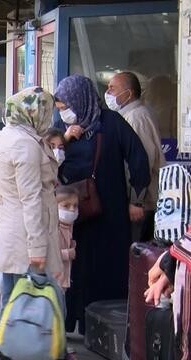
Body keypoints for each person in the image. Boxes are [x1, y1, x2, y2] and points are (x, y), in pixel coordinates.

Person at [54, 74, 150, 334]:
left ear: (80, 99)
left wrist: (137, 199)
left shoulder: (111, 123)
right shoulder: (62, 130)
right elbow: (49, 160)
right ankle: (69, 320)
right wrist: (66, 139)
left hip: (109, 211)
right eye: (62, 109)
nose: (65, 114)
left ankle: (101, 328)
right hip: (71, 215)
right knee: (72, 267)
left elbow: (138, 158)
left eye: (67, 108)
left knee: (105, 268)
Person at [0, 86, 64, 360]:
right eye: (46, 110)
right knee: (30, 310)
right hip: (26, 238)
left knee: (13, 308)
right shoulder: (25, 145)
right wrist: (38, 250)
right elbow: (32, 199)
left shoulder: (8, 136)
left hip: (11, 234)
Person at [107, 71, 165, 242]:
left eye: (112, 89)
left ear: (129, 93)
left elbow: (142, 160)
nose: (108, 93)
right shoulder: (130, 115)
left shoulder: (136, 118)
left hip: (143, 202)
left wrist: (136, 200)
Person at [56, 186, 79, 289]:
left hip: (62, 281)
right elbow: (47, 253)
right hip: (52, 283)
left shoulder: (68, 227)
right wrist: (68, 253)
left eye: (75, 206)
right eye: (66, 206)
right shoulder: (51, 229)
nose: (72, 210)